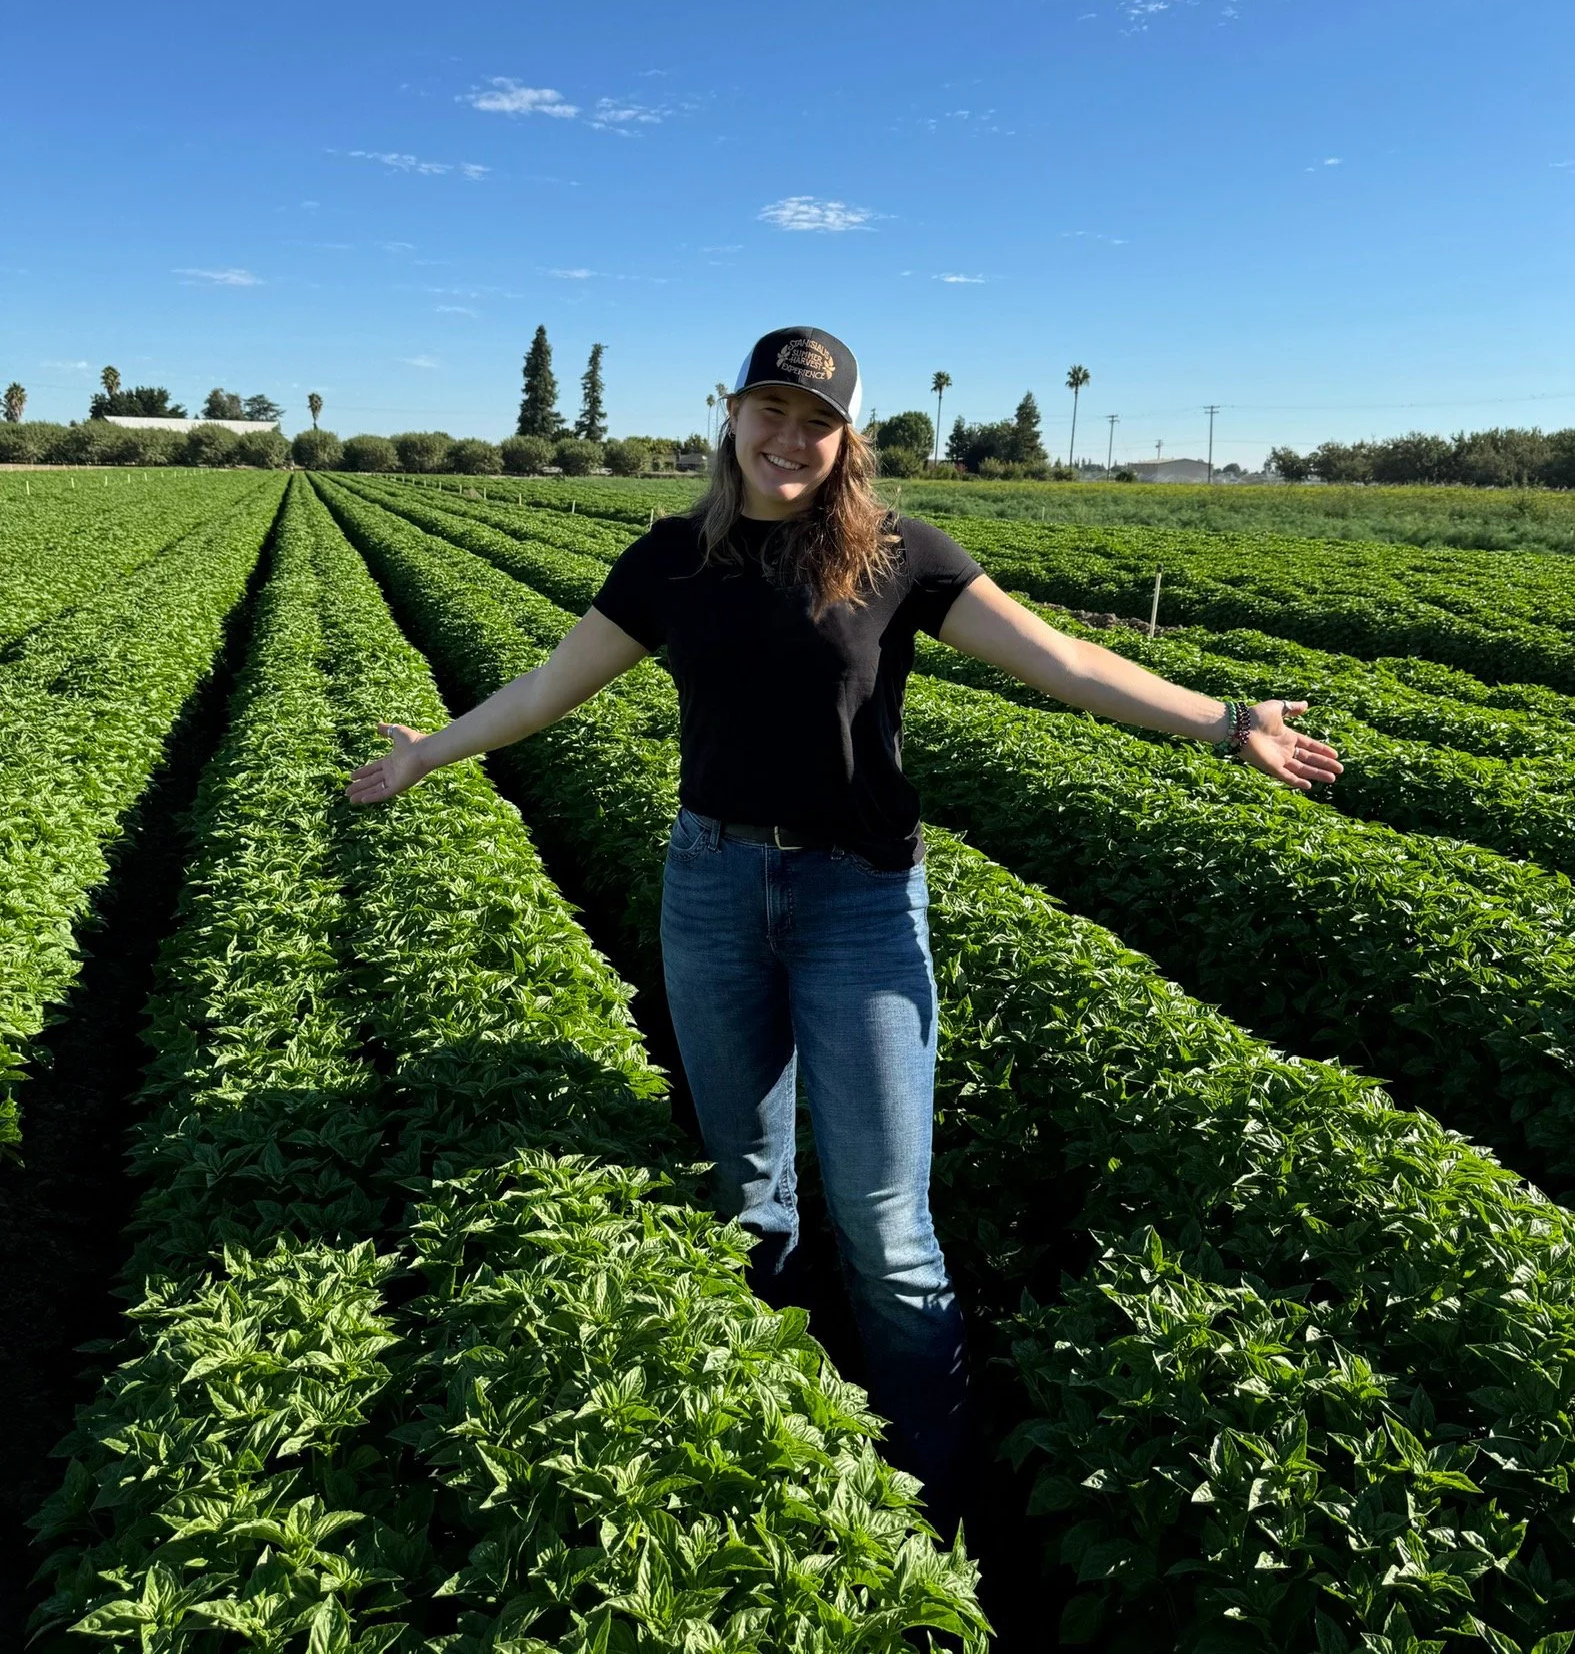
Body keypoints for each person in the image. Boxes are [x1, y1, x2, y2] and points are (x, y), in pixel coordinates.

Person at [346, 324, 1342, 1532]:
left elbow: (1065, 662)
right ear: (734, 417)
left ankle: (936, 1514)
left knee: (886, 1223)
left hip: (860, 900)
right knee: (748, 1192)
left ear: (846, 436)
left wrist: (1224, 716)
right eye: (772, 410)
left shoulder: (900, 558)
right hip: (710, 888)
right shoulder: (670, 562)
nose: (790, 438)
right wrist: (429, 756)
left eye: (817, 420)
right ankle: (766, 1450)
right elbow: (547, 690)